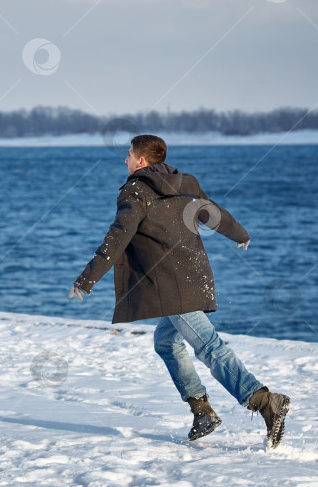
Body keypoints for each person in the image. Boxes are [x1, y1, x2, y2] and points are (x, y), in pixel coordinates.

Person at [68, 134, 290, 449]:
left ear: (141, 160)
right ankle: (202, 411)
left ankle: (263, 400)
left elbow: (118, 236)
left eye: (129, 155)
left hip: (170, 286)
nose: (126, 160)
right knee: (165, 342)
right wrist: (239, 233)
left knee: (209, 347)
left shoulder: (137, 189)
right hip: (194, 276)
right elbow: (212, 212)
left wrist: (87, 278)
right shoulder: (186, 182)